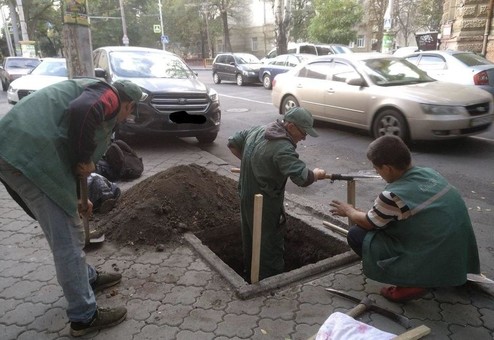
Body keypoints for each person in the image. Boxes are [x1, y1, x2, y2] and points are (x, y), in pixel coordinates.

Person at [0, 78, 147, 336]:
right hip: (27, 156)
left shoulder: (96, 93)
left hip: (26, 153)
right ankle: (84, 316)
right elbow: (83, 111)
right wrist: (83, 159)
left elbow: (69, 148)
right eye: (132, 109)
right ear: (129, 104)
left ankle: (85, 277)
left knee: (65, 224)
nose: (130, 115)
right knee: (66, 236)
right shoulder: (109, 96)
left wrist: (80, 197)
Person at [329, 135, 480, 302]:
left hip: (431, 250)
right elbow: (391, 215)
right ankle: (441, 273)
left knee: (357, 235)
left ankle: (411, 282)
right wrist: (365, 214)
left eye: (376, 169)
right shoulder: (430, 173)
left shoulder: (392, 195)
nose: (377, 173)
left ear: (387, 168)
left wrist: (349, 211)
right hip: (458, 252)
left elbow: (368, 223)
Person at [227, 107, 326, 281]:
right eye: (304, 132)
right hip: (266, 203)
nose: (304, 137)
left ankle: (250, 274)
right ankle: (270, 281)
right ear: (291, 126)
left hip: (246, 195)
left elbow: (233, 142)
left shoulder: (258, 130)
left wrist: (250, 162)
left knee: (250, 237)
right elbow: (302, 178)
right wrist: (317, 174)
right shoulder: (282, 147)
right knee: (269, 243)